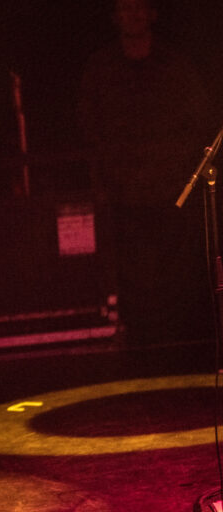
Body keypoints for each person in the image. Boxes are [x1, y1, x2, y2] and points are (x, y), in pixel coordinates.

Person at [77, 0, 214, 342]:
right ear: (115, 17)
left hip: (172, 190)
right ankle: (139, 336)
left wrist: (182, 171)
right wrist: (104, 174)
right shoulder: (101, 67)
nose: (133, 16)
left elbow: (199, 122)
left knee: (176, 272)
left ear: (152, 14)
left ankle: (178, 336)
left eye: (139, 9)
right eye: (125, 9)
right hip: (123, 189)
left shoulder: (175, 66)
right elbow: (88, 124)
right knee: (131, 270)